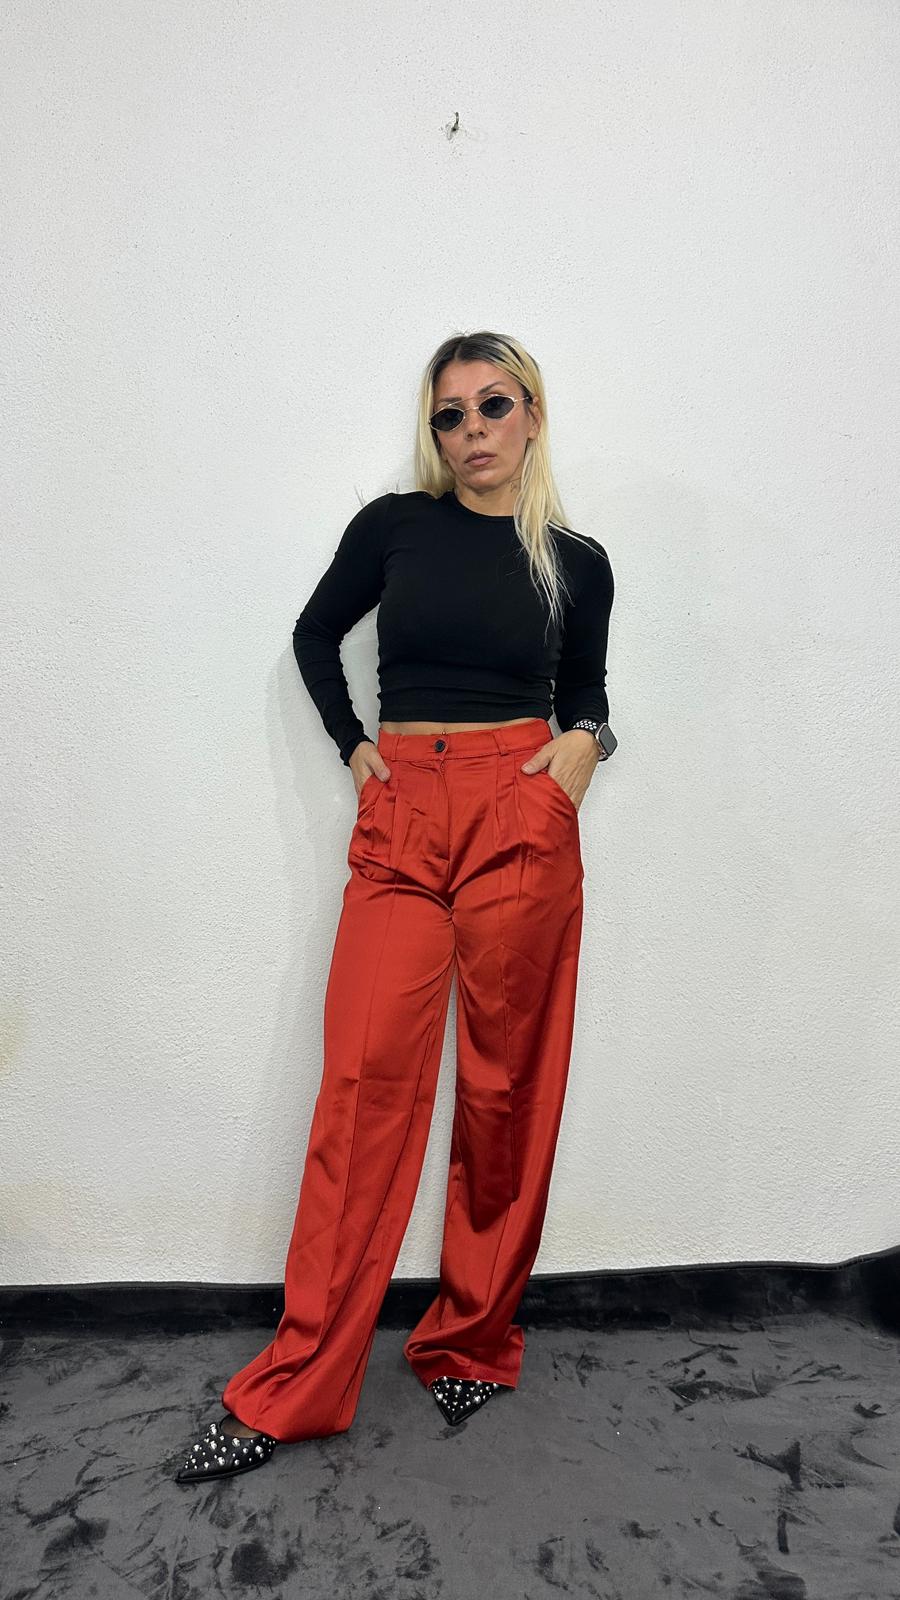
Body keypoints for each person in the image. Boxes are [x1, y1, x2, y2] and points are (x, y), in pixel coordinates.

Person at [175, 329, 616, 1483]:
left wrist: (587, 744)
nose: (472, 431)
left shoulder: (576, 561)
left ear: (533, 413)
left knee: (508, 1086)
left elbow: (588, 691)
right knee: (363, 1084)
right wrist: (354, 747)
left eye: (493, 405)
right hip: (406, 812)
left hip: (521, 810)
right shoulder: (394, 527)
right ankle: (298, 1383)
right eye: (449, 415)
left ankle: (471, 1337)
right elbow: (314, 633)